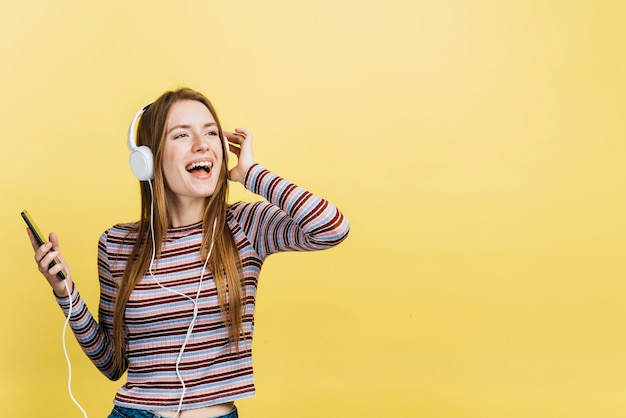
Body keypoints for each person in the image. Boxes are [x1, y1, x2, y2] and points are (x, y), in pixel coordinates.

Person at [27, 87, 350, 418]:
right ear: (147, 159)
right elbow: (112, 364)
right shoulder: (116, 243)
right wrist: (65, 293)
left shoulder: (245, 227)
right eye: (182, 134)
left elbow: (332, 228)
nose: (202, 143)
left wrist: (251, 173)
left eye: (211, 132)